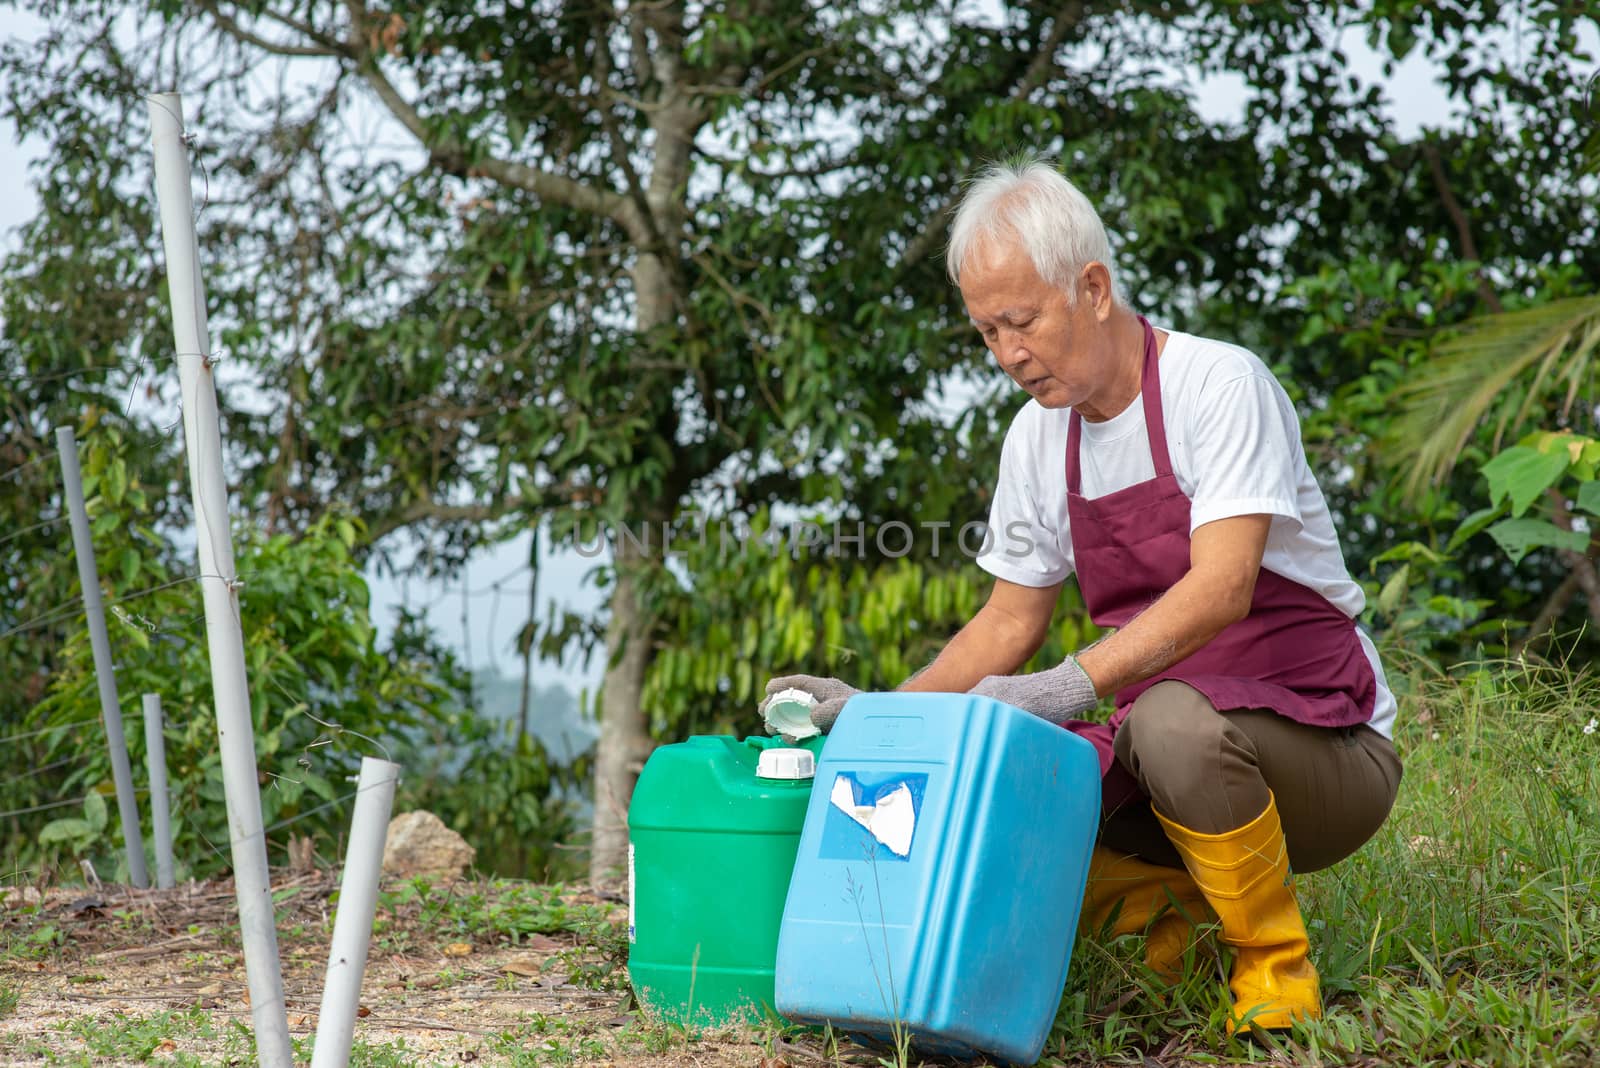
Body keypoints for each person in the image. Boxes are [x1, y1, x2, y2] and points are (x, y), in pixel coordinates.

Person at [763, 156, 1402, 1035]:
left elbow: (1223, 588)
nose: (1007, 354)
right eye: (985, 333)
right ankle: (1185, 933)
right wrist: (878, 716)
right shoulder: (1036, 439)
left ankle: (1275, 973)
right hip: (1163, 746)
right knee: (1004, 804)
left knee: (1165, 724)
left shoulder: (1217, 386)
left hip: (1325, 745)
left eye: (1021, 322)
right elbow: (1005, 623)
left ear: (1093, 287)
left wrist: (1067, 688)